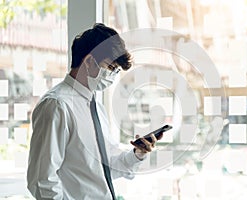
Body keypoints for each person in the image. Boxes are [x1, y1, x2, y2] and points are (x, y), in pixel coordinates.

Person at [27, 23, 161, 200]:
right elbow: (42, 181)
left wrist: (138, 153)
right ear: (89, 61)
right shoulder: (57, 105)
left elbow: (106, 166)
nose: (113, 75)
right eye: (111, 68)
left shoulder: (94, 105)